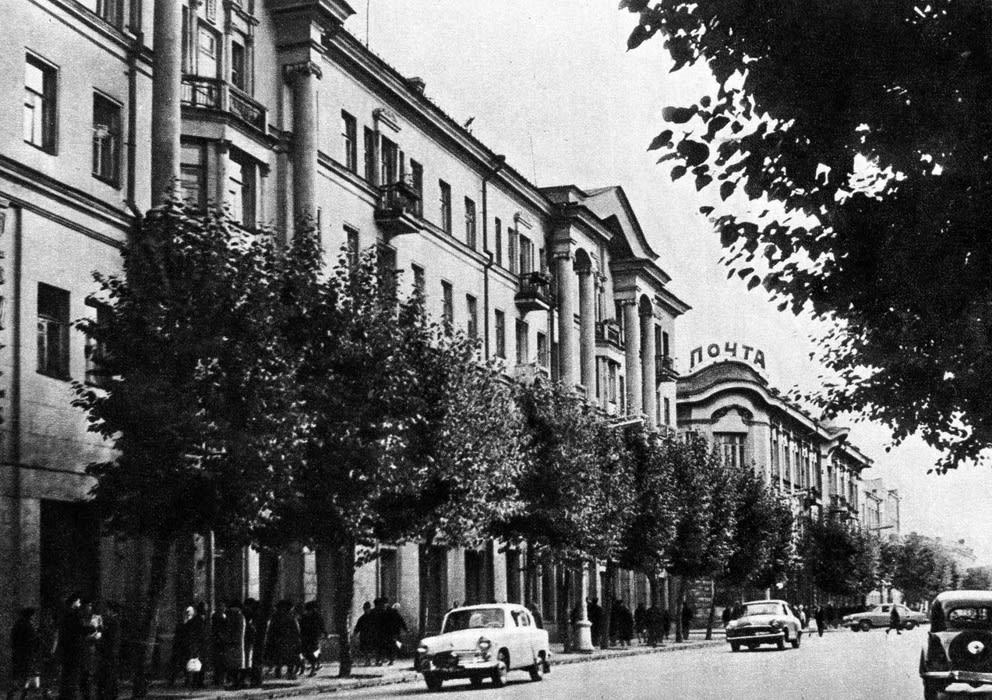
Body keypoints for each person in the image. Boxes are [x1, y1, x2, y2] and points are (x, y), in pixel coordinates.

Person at [8, 607, 40, 700]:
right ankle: (22, 694)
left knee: (17, 675)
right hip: (25, 653)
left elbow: (13, 639)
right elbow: (32, 640)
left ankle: (13, 693)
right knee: (25, 675)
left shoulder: (17, 624)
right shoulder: (28, 625)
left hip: (17, 653)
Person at [265, 600, 301, 680]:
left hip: (278, 640)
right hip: (289, 641)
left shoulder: (275, 617)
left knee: (279, 657)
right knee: (290, 658)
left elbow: (271, 629)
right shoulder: (291, 617)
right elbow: (296, 630)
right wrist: (297, 639)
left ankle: (278, 672)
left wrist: (270, 639)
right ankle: (290, 673)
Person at [95, 602, 121, 700]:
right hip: (111, 653)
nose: (106, 612)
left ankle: (107, 694)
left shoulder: (112, 622)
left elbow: (107, 637)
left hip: (108, 653)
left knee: (108, 675)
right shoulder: (114, 621)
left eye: (108, 610)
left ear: (111, 610)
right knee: (110, 675)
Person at [299, 602, 326, 678]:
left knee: (311, 652)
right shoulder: (309, 617)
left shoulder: (314, 616)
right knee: (309, 652)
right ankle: (313, 665)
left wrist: (324, 632)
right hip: (309, 637)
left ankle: (313, 667)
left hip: (311, 637)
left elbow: (321, 626)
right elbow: (322, 626)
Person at [353, 602, 374, 666]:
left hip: (371, 635)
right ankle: (367, 661)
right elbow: (357, 627)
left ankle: (369, 660)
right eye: (365, 609)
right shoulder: (362, 618)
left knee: (369, 649)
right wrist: (355, 633)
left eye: (367, 608)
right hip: (364, 636)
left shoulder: (373, 617)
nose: (366, 610)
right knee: (365, 649)